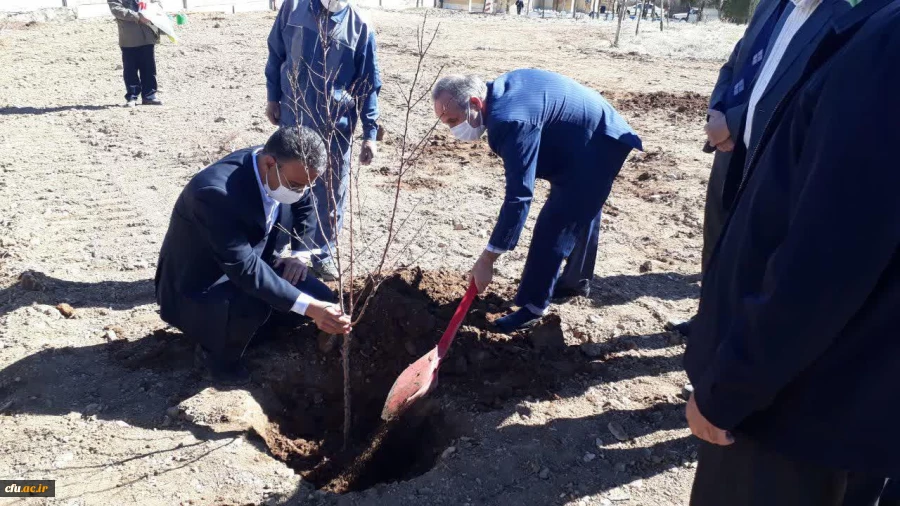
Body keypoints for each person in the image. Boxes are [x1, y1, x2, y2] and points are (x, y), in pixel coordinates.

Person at [685, 0, 900, 503]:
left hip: (793, 414)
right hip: (836, 398)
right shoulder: (864, 27)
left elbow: (825, 261)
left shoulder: (886, 46)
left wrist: (726, 391)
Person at [674, 0, 852, 338]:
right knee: (717, 238)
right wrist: (717, 112)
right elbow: (735, 65)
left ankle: (734, 343)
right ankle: (709, 321)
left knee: (756, 257)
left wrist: (734, 123)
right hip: (729, 152)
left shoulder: (842, 17)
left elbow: (801, 93)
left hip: (774, 161)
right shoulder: (771, 6)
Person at [431, 70, 642, 332]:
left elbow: (519, 196)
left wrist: (487, 259)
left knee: (555, 224)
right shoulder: (499, 91)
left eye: (454, 121)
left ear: (475, 103)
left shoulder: (509, 120)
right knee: (582, 203)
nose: (453, 130)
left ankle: (533, 306)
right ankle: (575, 281)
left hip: (600, 140)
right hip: (582, 136)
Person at [155, 126, 351, 385]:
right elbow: (245, 270)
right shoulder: (215, 194)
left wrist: (299, 254)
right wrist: (311, 309)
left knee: (321, 297)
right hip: (201, 286)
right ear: (270, 163)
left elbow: (304, 203)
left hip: (252, 265)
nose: (301, 191)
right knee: (254, 306)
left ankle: (248, 333)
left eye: (308, 184)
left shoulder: (284, 168)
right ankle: (217, 358)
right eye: (295, 185)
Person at [265, 0, 382, 281]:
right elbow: (276, 54)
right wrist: (272, 96)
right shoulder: (292, 8)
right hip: (293, 118)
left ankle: (322, 254)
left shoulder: (360, 26)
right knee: (285, 183)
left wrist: (370, 133)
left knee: (331, 190)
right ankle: (279, 247)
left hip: (334, 128)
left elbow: (369, 84)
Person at [107, 0, 164, 107]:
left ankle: (149, 96)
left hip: (148, 35)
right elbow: (116, 10)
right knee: (130, 70)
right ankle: (132, 97)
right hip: (129, 38)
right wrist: (137, 16)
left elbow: (157, 3)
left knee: (149, 68)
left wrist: (153, 11)